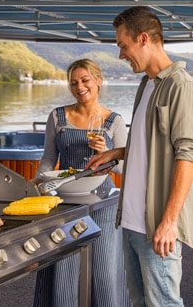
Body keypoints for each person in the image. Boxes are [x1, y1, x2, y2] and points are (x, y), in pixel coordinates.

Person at [88, 6, 193, 307]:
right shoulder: (146, 85)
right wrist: (117, 153)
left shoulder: (181, 86)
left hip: (157, 225)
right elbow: (150, 145)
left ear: (143, 39)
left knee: (164, 303)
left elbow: (188, 156)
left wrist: (169, 221)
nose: (121, 55)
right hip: (131, 222)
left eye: (123, 46)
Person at [33, 58, 131, 307]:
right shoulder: (57, 117)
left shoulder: (115, 121)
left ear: (98, 81)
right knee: (63, 267)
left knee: (103, 270)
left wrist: (108, 150)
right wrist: (41, 185)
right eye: (74, 82)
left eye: (85, 80)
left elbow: (122, 168)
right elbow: (48, 159)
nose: (79, 87)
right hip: (65, 200)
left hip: (103, 200)